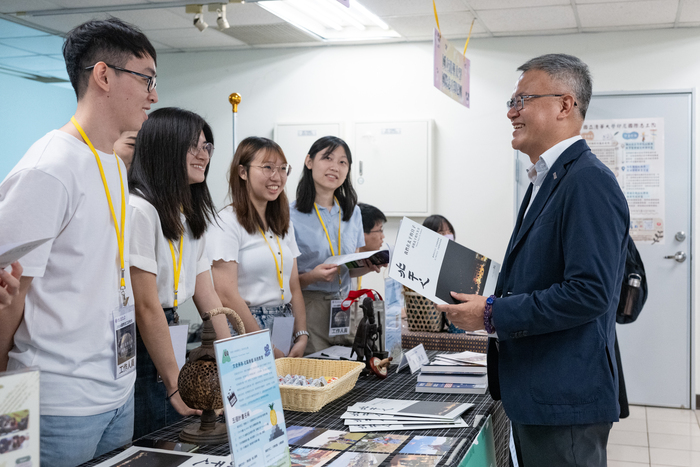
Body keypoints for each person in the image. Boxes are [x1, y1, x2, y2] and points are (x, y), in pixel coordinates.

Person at [436, 54, 629, 467]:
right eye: (511, 100)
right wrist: (486, 292)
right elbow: (543, 275)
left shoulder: (588, 181)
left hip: (565, 397)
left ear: (564, 105)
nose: (511, 112)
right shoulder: (548, 179)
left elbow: (588, 293)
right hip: (540, 391)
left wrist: (490, 313)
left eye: (522, 99)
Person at [0, 18, 158, 466]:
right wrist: (4, 400)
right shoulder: (48, 168)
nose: (154, 94)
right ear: (104, 76)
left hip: (116, 388)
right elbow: (9, 297)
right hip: (52, 400)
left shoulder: (111, 163)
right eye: (146, 79)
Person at [128, 107, 232, 438]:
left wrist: (232, 358)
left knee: (170, 436)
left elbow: (207, 292)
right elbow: (145, 306)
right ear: (164, 147)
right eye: (194, 146)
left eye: (207, 147)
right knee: (152, 440)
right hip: (142, 338)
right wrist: (174, 382)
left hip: (169, 331)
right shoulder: (139, 210)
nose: (203, 155)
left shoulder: (187, 214)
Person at [208, 136, 308, 358]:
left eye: (283, 168)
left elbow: (294, 286)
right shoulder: (227, 221)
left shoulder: (283, 223)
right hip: (245, 327)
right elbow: (225, 294)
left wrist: (302, 336)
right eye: (267, 167)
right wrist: (263, 344)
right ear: (242, 172)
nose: (277, 176)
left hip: (284, 323)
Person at [290, 136, 379, 355]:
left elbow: (351, 266)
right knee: (318, 377)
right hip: (309, 308)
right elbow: (283, 281)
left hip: (347, 306)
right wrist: (313, 276)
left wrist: (369, 265)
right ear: (309, 162)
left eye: (342, 162)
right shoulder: (289, 215)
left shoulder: (352, 212)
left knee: (353, 378)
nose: (335, 167)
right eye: (327, 158)